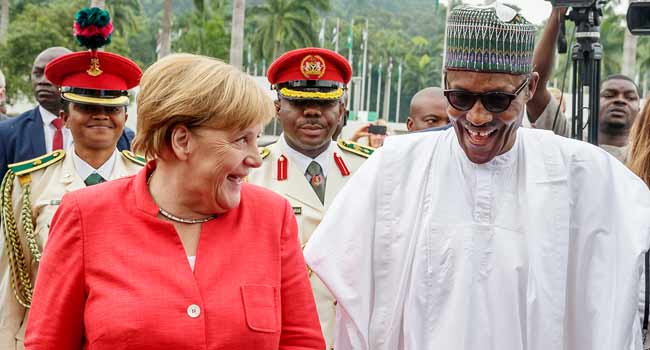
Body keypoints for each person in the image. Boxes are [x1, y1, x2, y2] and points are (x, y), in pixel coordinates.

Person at [304, 4, 650, 349]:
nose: (478, 117)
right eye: (461, 97)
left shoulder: (583, 175)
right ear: (445, 86)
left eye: (498, 100)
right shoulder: (395, 168)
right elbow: (338, 278)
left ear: (529, 87)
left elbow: (615, 292)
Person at [23, 49, 324, 347]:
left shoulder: (271, 217)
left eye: (256, 140)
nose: (256, 159)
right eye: (241, 140)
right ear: (182, 141)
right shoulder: (86, 216)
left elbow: (301, 341)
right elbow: (49, 342)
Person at [0, 11, 145, 348]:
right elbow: (12, 281)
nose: (100, 116)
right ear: (64, 117)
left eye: (111, 108)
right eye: (87, 107)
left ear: (125, 116)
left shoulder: (149, 179)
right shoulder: (28, 183)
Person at [248, 47, 369, 349]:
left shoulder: (370, 169)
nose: (312, 112)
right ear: (277, 108)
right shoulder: (250, 173)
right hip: (283, 336)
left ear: (342, 109)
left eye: (324, 103)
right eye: (300, 102)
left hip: (355, 335)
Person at [0, 47, 136, 179]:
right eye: (37, 73)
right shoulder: (7, 133)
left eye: (112, 109)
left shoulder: (123, 137)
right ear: (64, 118)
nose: (43, 82)